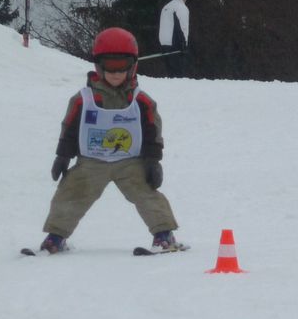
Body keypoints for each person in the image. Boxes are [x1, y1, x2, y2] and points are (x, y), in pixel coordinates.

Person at [37, 27, 187, 254]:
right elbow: (69, 128)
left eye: (122, 66)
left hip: (129, 162)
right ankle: (55, 237)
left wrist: (153, 162)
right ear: (99, 65)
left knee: (146, 194)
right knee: (71, 193)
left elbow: (152, 132)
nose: (116, 73)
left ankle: (164, 235)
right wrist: (62, 156)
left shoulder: (141, 101)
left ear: (132, 66)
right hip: (91, 162)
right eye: (110, 66)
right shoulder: (84, 99)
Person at [158, 0, 190, 77]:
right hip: (175, 45)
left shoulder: (166, 7)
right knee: (178, 75)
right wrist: (184, 44)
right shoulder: (181, 7)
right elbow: (183, 26)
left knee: (170, 74)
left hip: (164, 44)